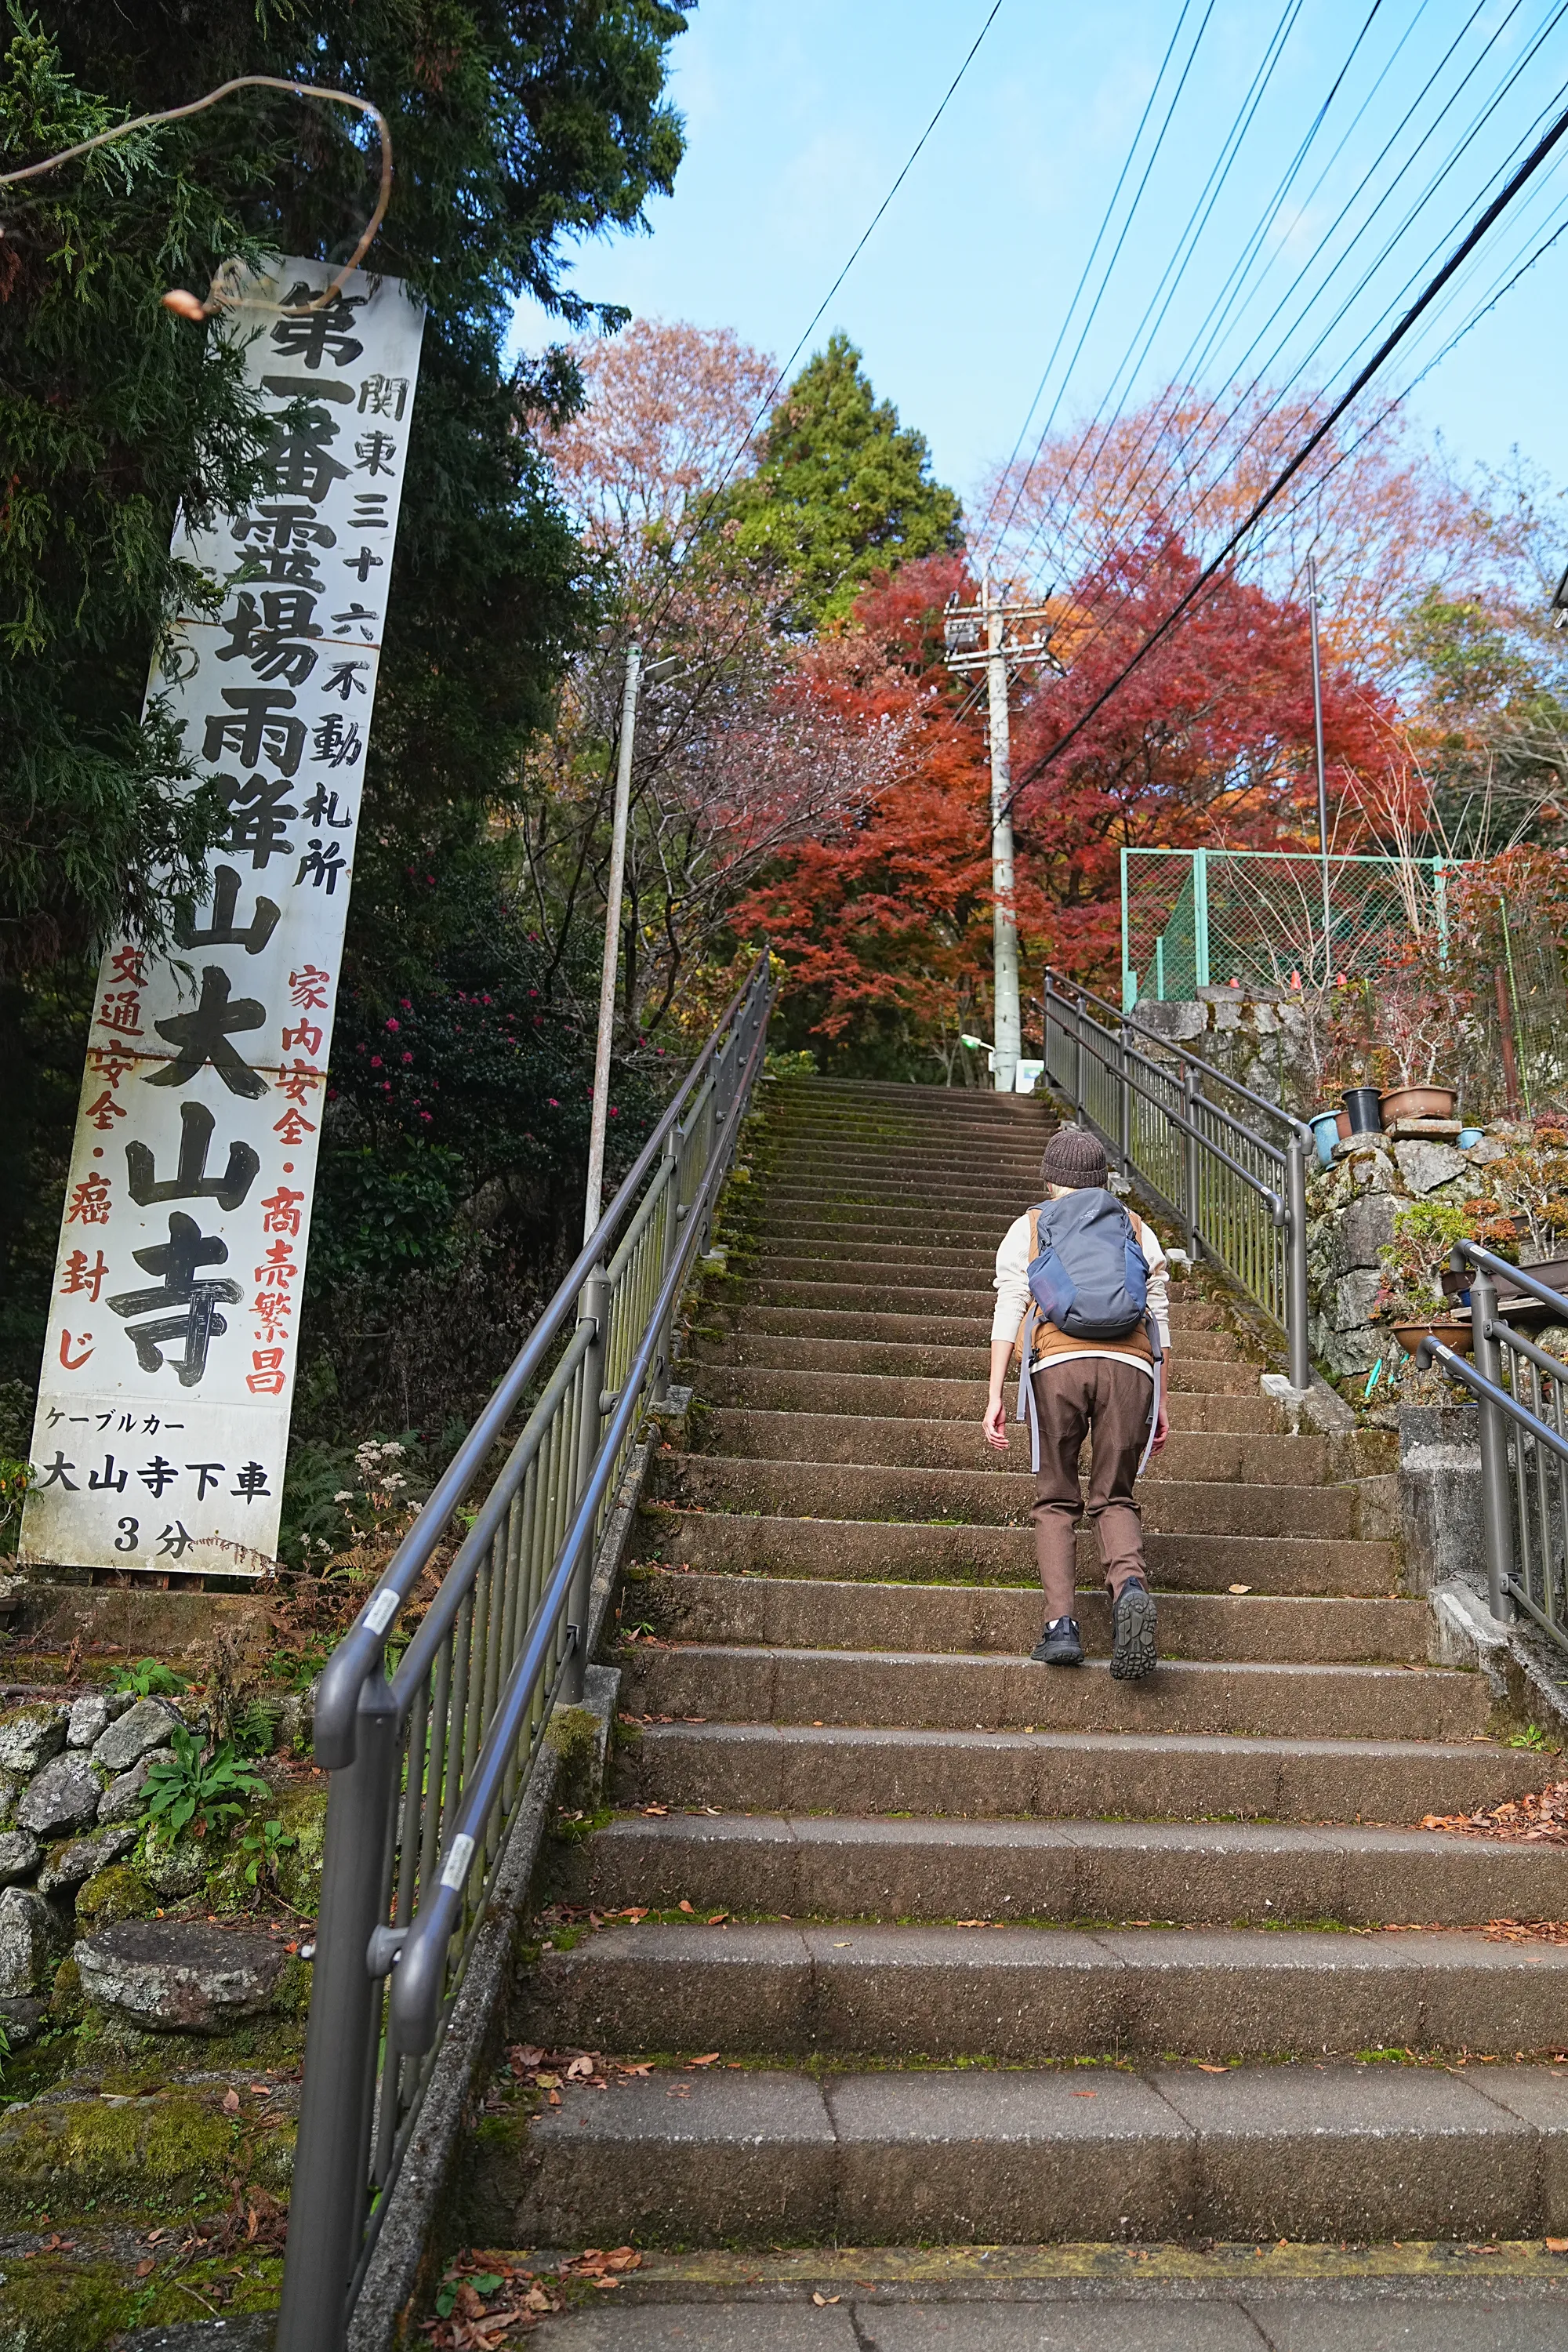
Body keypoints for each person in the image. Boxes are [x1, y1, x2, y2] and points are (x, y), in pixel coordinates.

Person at [982, 1124, 1171, 1679]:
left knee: (1057, 1496)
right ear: (1102, 1181)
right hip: (1132, 1368)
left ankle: (1060, 1626)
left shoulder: (1033, 1225)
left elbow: (1011, 1304)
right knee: (1114, 1495)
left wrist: (994, 1392)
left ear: (1051, 1180)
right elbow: (1158, 1314)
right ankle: (1129, 1587)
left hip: (1057, 1365)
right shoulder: (1135, 1227)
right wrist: (1161, 1399)